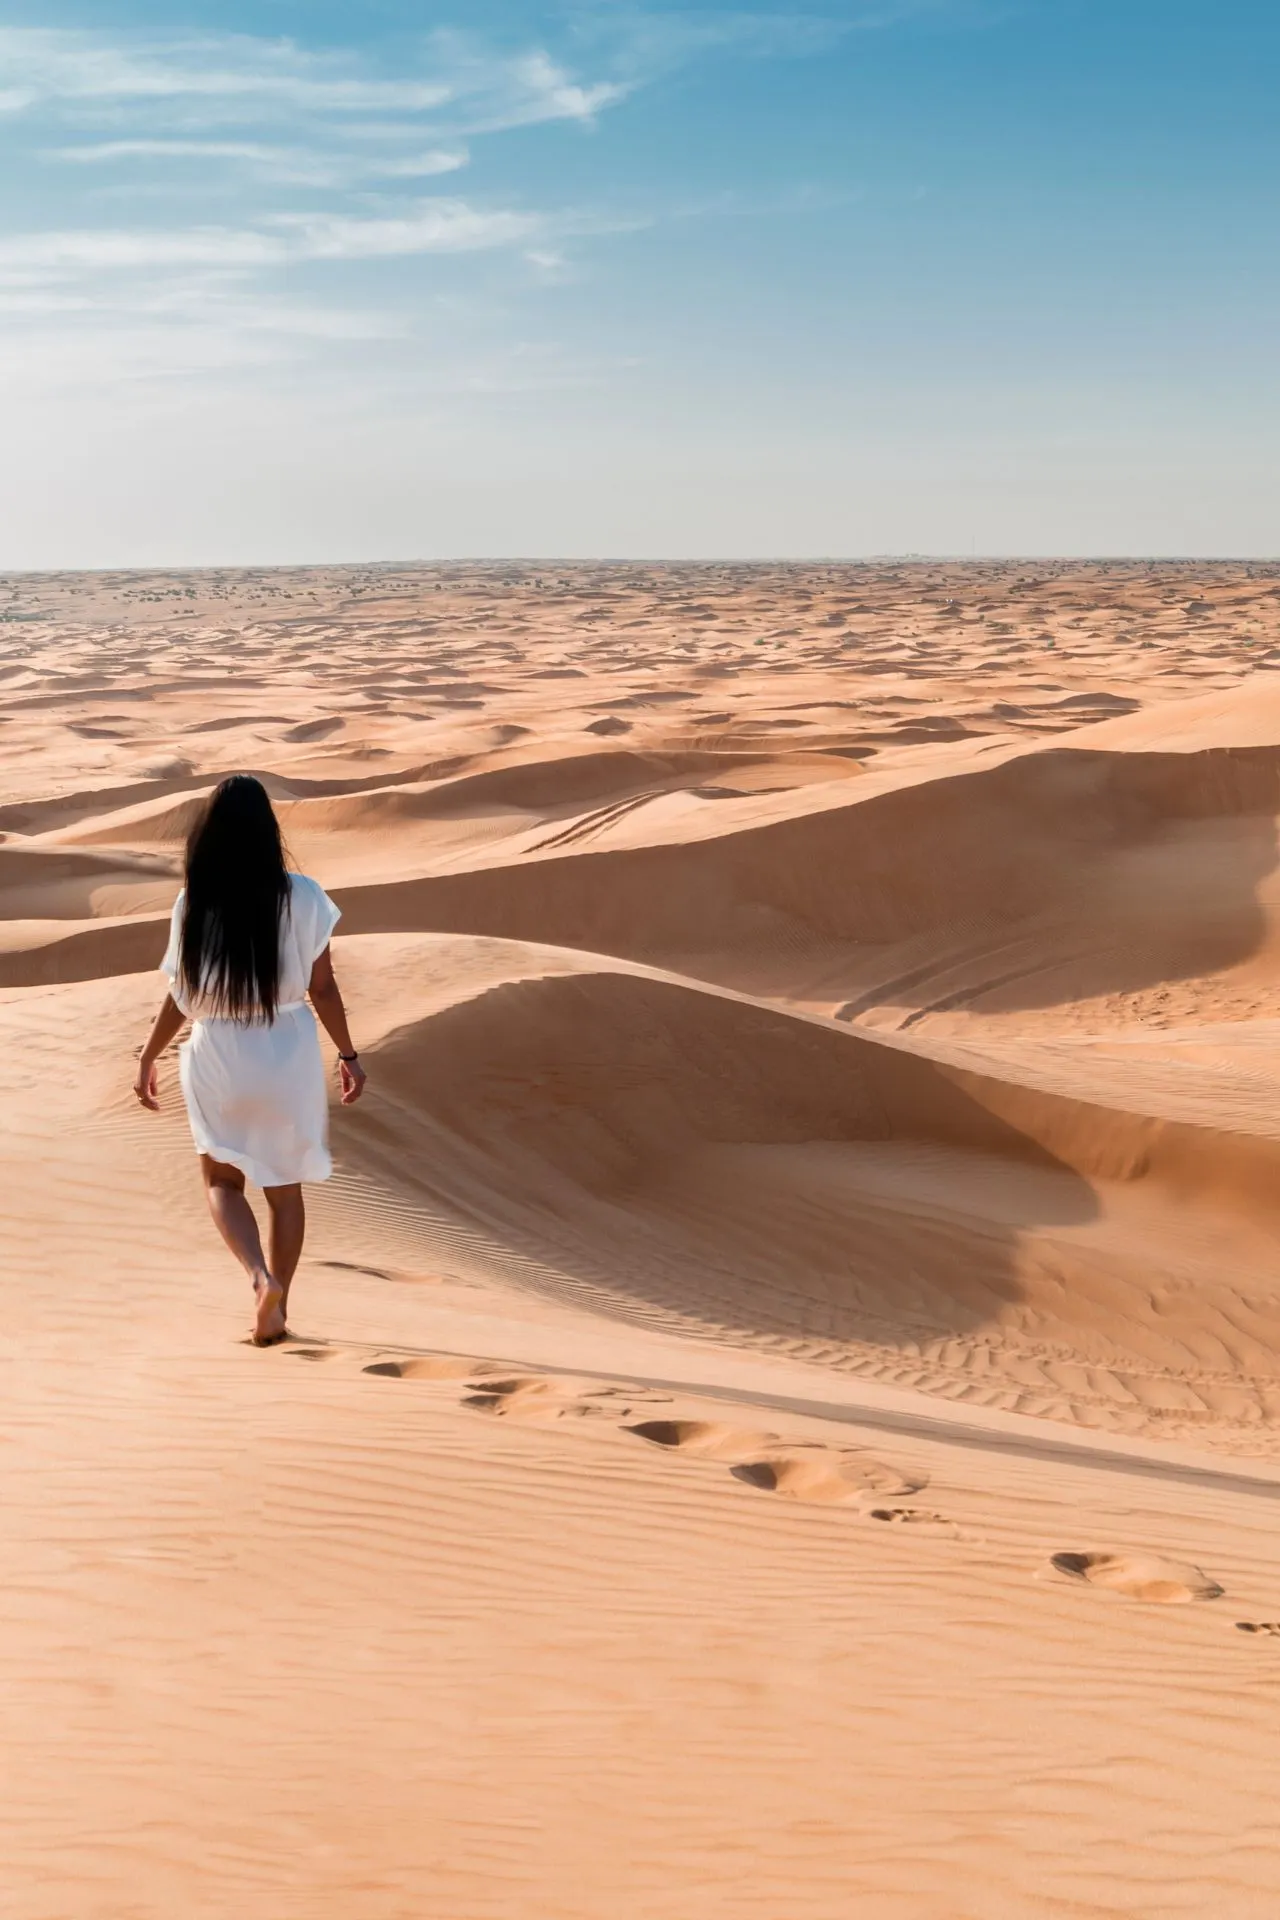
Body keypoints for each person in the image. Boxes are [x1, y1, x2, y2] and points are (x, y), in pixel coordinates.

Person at [133, 775, 366, 1346]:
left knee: (221, 1180)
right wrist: (349, 1054)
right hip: (286, 1049)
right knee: (285, 1190)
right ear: (268, 830)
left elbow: (182, 994)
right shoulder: (305, 896)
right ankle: (279, 1303)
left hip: (217, 1051)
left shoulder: (195, 901)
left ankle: (260, 1279)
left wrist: (148, 1056)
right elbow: (323, 988)